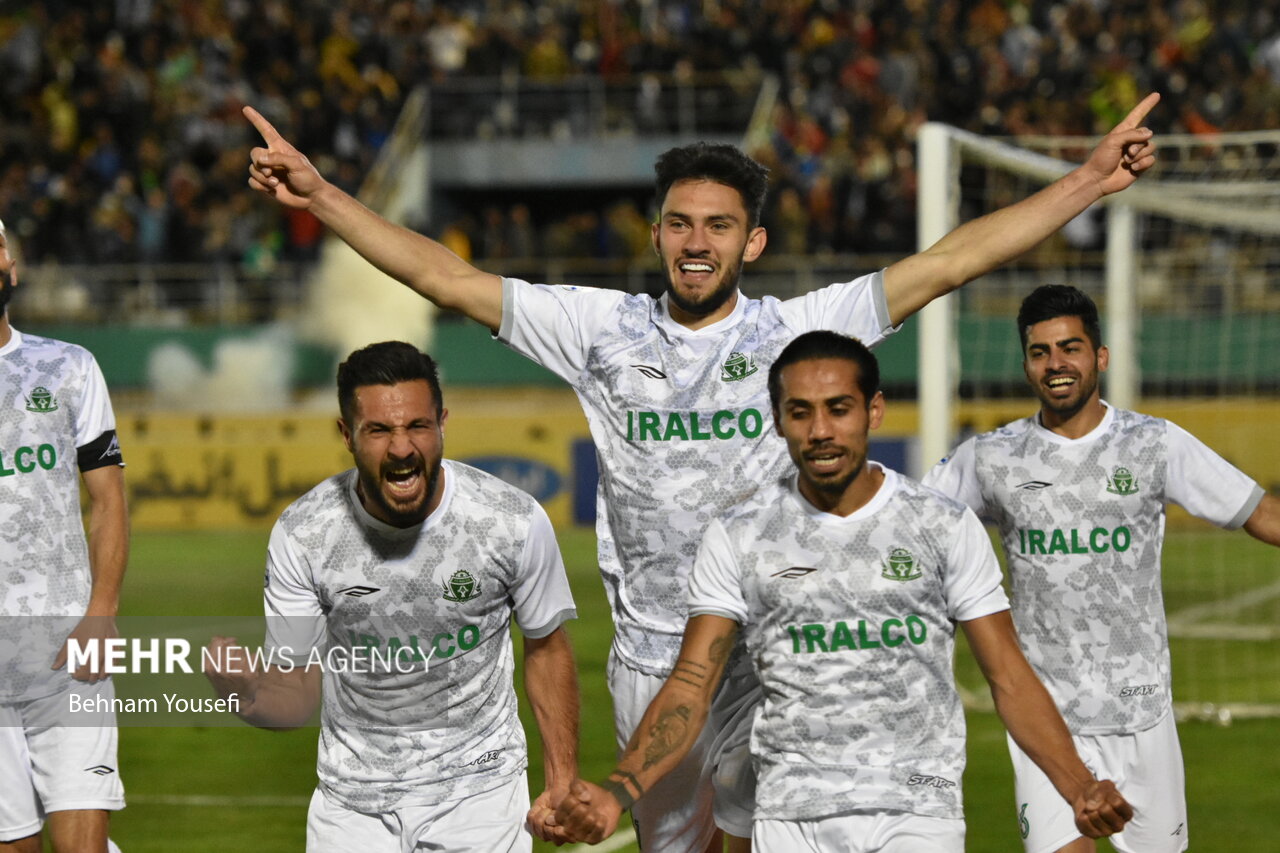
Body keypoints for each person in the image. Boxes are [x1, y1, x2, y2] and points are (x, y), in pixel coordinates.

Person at [241, 94, 1159, 852]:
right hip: (653, 660)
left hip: (771, 651)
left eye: (719, 225)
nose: (696, 240)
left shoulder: (794, 330)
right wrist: (321, 196)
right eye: (680, 222)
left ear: (750, 243)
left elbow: (951, 262)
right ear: (656, 234)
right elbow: (446, 277)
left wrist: (1088, 180)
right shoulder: (600, 332)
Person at [553, 330, 1134, 851]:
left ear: (873, 411)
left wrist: (1078, 785)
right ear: (777, 420)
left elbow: (1007, 675)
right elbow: (691, 684)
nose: (820, 431)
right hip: (791, 814)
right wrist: (619, 790)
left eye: (838, 409)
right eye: (800, 413)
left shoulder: (941, 525)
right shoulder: (740, 535)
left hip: (915, 806)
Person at [922, 285, 1280, 853]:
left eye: (1070, 348)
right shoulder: (990, 456)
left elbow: (1261, 514)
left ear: (1101, 356)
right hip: (1045, 719)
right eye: (1040, 352)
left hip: (1141, 711)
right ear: (1026, 365)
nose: (1056, 363)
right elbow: (911, 524)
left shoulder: (1153, 443)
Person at [203, 341, 580, 852]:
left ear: (442, 423)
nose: (401, 448)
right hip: (351, 807)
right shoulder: (304, 534)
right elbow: (294, 698)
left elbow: (547, 648)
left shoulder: (510, 519)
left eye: (417, 426)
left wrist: (561, 780)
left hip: (480, 796)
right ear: (347, 434)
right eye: (379, 430)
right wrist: (245, 693)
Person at [0, 218, 128, 853]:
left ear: (11, 266)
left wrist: (101, 612)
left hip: (68, 654)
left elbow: (108, 500)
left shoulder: (68, 366)